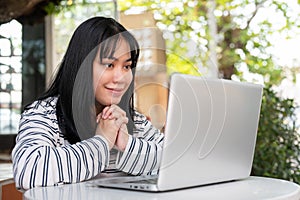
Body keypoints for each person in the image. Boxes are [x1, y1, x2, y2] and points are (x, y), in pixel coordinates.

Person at [11, 16, 164, 190]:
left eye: (126, 66)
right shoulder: (43, 114)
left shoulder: (132, 120)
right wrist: (102, 141)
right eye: (109, 65)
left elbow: (177, 161)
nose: (120, 77)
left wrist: (127, 144)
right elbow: (28, 172)